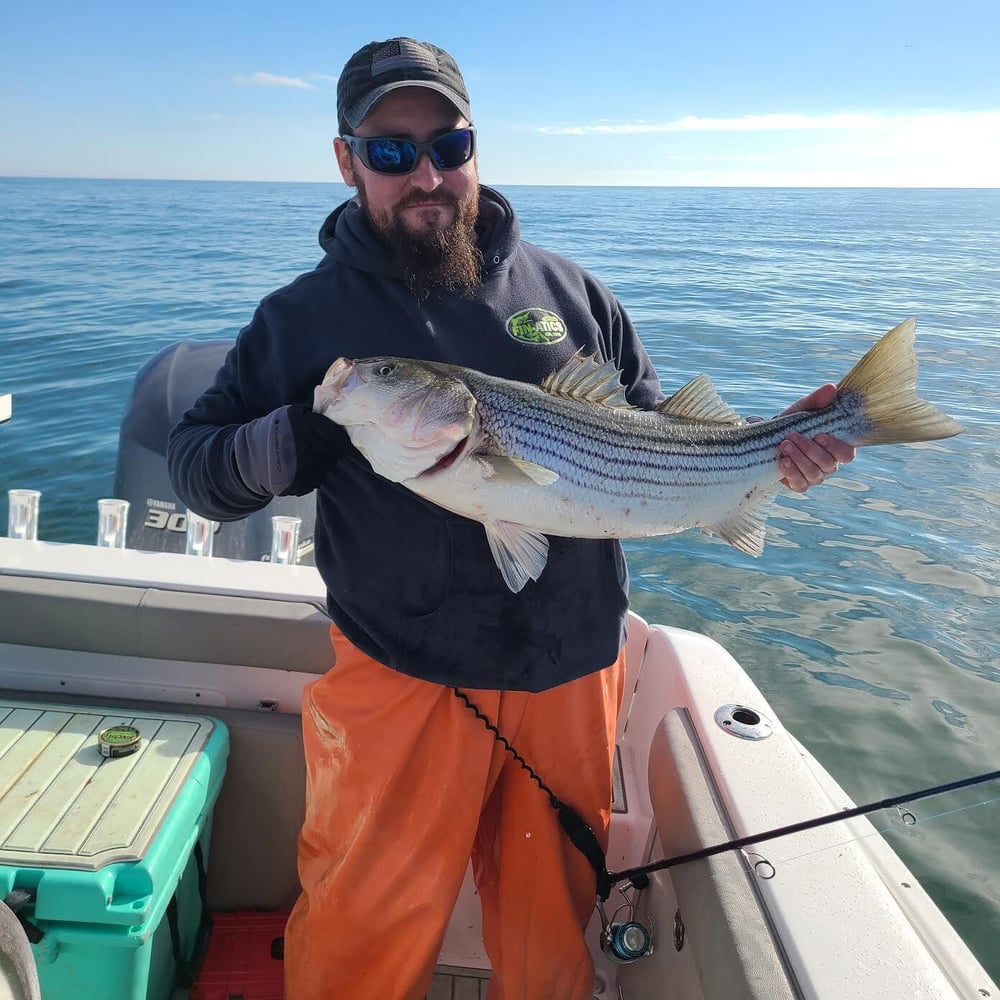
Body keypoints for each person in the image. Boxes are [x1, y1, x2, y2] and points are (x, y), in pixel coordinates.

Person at [167, 36, 856, 1000]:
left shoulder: (573, 295)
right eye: (392, 151)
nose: (428, 175)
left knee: (552, 937)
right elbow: (197, 468)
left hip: (570, 670)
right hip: (401, 677)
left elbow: (663, 440)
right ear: (346, 159)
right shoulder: (303, 321)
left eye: (448, 144)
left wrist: (774, 458)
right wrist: (284, 440)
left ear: (476, 147)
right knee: (362, 928)